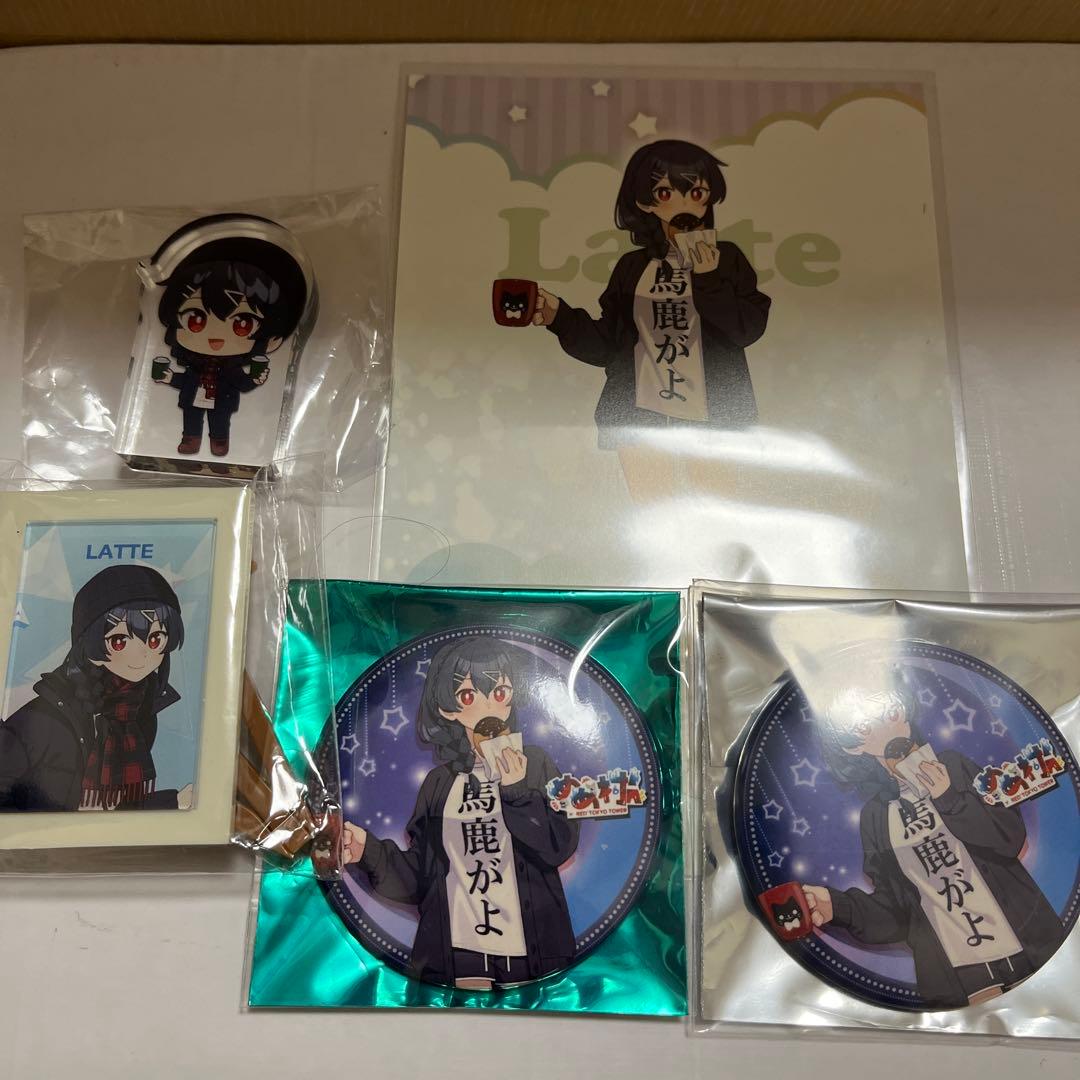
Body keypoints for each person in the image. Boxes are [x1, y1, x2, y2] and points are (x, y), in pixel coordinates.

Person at [799, 677, 1064, 1008]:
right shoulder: (875, 817)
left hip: (1032, 946)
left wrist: (950, 797)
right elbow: (897, 913)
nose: (887, 725)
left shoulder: (953, 766)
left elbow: (1009, 838)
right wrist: (839, 907)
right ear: (853, 746)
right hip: (962, 978)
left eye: (891, 711)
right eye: (866, 725)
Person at [531, 139, 770, 496]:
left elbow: (745, 330)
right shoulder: (632, 267)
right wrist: (558, 316)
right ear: (645, 202)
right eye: (665, 193)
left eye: (696, 192)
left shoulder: (728, 259)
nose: (684, 204)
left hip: (715, 418)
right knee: (651, 512)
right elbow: (608, 346)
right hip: (638, 415)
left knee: (714, 511)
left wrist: (707, 277)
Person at [341, 636, 580, 990]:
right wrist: (368, 851)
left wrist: (516, 791)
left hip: (535, 962)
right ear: (447, 709)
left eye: (499, 692)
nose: (487, 706)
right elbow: (420, 879)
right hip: (454, 962)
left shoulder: (535, 765)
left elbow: (557, 845)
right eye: (469, 696)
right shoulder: (440, 784)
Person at [0, 564, 189, 811]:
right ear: (88, 643)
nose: (142, 654)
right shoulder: (43, 720)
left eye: (155, 639)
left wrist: (174, 802)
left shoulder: (136, 713)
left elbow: (113, 810)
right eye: (119, 641)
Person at [152, 235, 307, 457]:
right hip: (192, 399)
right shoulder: (193, 363)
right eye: (196, 320)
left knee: (220, 421)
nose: (216, 338)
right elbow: (186, 380)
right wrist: (169, 378)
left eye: (242, 325)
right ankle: (191, 439)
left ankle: (219, 441)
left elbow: (241, 383)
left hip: (222, 403)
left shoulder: (232, 368)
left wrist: (255, 379)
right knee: (191, 417)